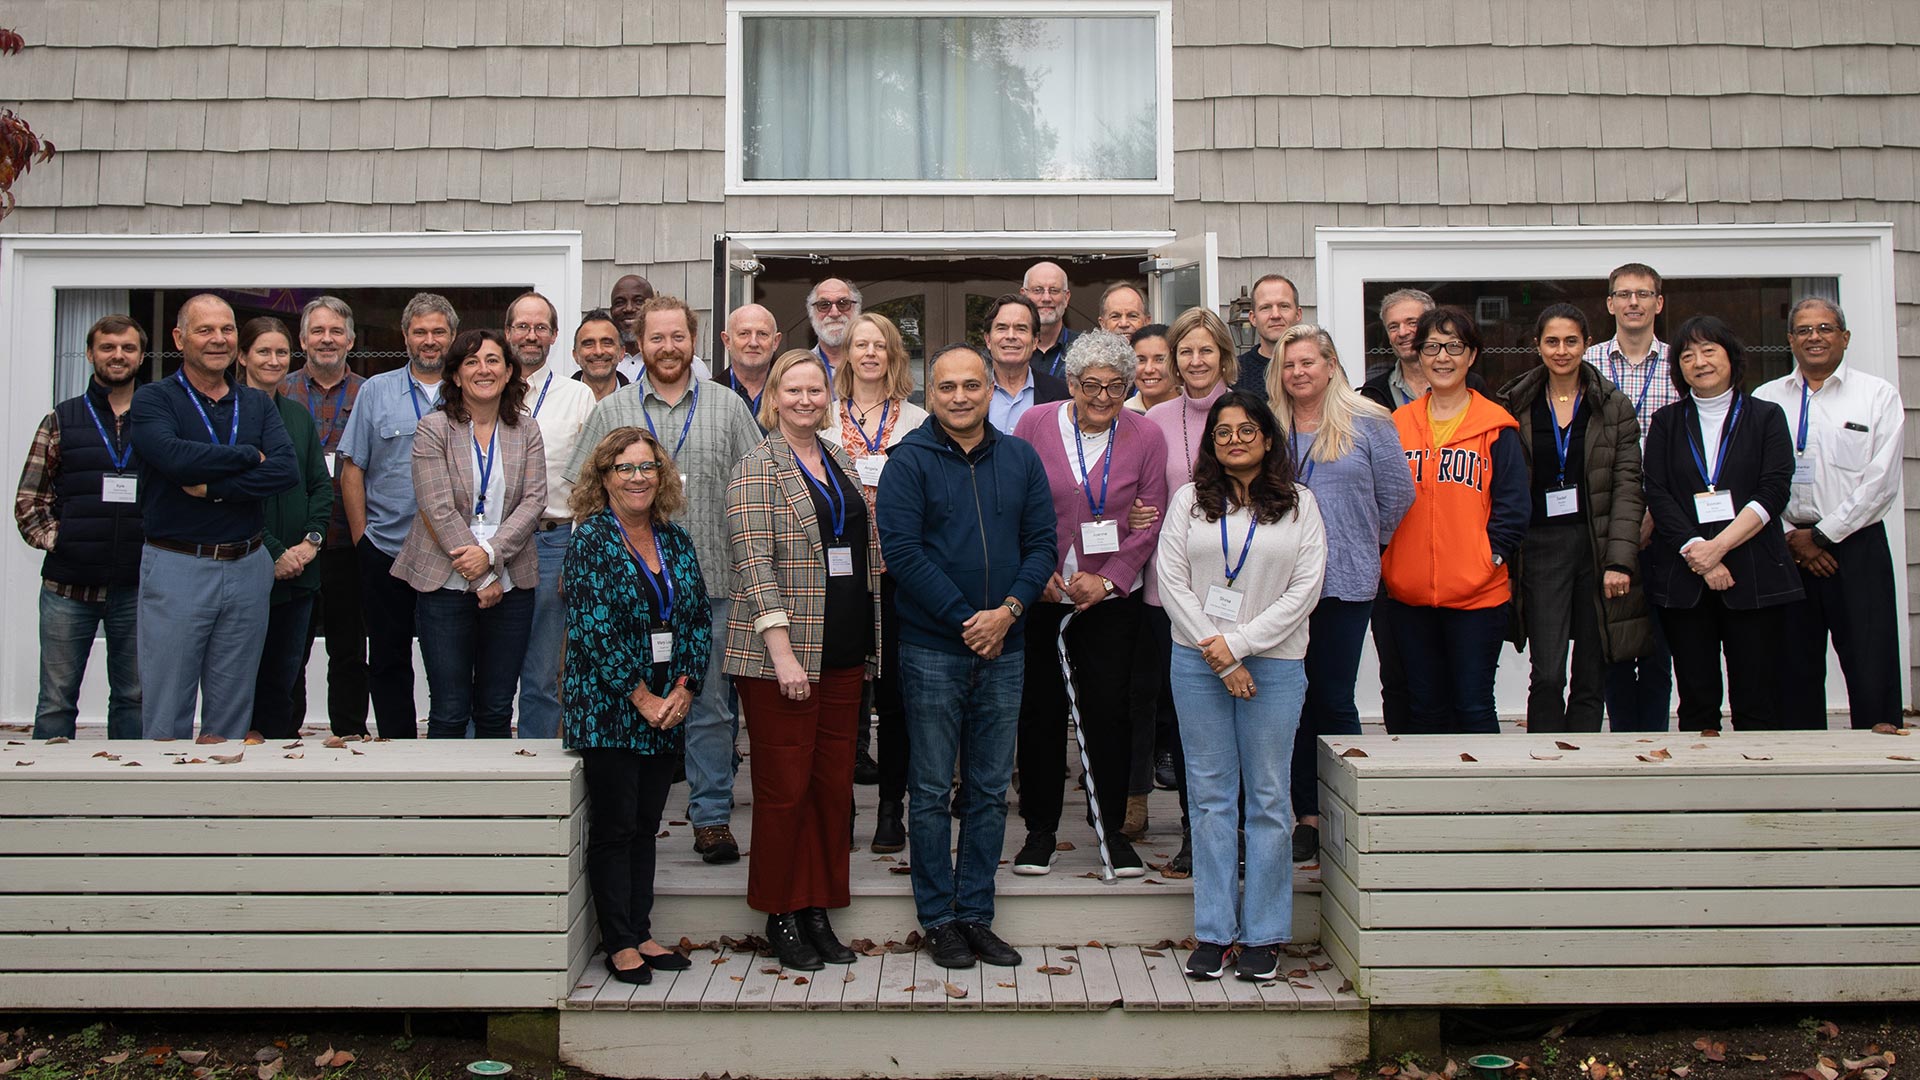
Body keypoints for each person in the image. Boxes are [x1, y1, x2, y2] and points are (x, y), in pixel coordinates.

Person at [877, 343, 1056, 971]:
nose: (959, 396)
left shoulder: (1021, 458)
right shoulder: (909, 462)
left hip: (1005, 646)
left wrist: (1006, 612)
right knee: (928, 789)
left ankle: (976, 913)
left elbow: (1042, 545)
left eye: (971, 386)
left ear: (990, 390)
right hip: (932, 649)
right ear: (932, 394)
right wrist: (965, 620)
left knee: (985, 788)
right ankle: (939, 918)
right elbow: (901, 553)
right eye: (946, 386)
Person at [569, 296, 763, 863]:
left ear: (694, 340)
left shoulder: (727, 408)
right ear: (640, 344)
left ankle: (710, 818)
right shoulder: (613, 410)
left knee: (708, 709)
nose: (668, 347)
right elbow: (584, 497)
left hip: (712, 589)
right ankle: (630, 818)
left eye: (678, 336)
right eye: (656, 338)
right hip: (629, 595)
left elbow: (753, 492)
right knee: (632, 698)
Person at [1157, 391, 1325, 982]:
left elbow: (1305, 589)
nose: (1233, 440)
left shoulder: (1300, 505)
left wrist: (1243, 644)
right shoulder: (1189, 502)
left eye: (1246, 429)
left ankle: (1264, 932)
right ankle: (1214, 930)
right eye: (1222, 432)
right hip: (1198, 661)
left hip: (1275, 664)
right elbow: (1171, 581)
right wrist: (1220, 653)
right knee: (1209, 797)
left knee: (1270, 798)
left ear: (1270, 438)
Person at [723, 349, 879, 972]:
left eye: (816, 389)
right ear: (775, 397)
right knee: (784, 790)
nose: (806, 399)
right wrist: (782, 654)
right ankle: (779, 913)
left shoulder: (838, 457)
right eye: (795, 390)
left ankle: (817, 906)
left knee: (830, 789)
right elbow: (754, 567)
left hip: (841, 651)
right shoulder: (756, 468)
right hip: (782, 659)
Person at [1010, 331, 1168, 878]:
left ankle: (1113, 829)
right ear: (1071, 383)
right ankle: (1040, 830)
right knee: (1041, 713)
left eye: (1115, 386)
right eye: (1091, 385)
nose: (1103, 396)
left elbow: (1153, 517)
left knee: (1110, 711)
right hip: (1044, 593)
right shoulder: (1033, 424)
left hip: (1108, 600)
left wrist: (1111, 579)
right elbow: (1016, 506)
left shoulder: (1145, 435)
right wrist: (1038, 576)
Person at [563, 426, 711, 986]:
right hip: (609, 708)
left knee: (647, 825)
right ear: (604, 478)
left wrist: (685, 688)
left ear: (662, 476)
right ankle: (618, 941)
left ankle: (641, 929)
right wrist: (642, 696)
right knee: (616, 826)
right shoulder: (591, 540)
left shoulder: (675, 540)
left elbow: (696, 618)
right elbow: (593, 630)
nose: (638, 477)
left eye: (647, 467)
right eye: (624, 468)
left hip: (666, 706)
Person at [1268, 324, 1413, 861]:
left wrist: (1360, 542)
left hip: (1344, 583)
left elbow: (1397, 495)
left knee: (1331, 697)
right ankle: (1304, 812)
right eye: (1288, 364)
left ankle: (1345, 811)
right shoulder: (1271, 426)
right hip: (1279, 588)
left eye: (1308, 362)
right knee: (1289, 701)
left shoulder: (1369, 422)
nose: (1298, 372)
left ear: (1331, 365)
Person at [129, 294, 298, 740]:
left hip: (247, 566)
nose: (219, 339)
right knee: (167, 710)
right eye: (205, 330)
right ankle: (164, 807)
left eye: (226, 329)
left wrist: (215, 487)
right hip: (178, 565)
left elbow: (284, 470)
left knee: (232, 708)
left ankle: (222, 804)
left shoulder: (257, 404)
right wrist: (246, 455)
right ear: (179, 338)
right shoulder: (153, 399)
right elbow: (174, 458)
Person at [1495, 304, 1653, 735]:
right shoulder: (1513, 403)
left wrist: (1620, 560)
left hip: (1597, 546)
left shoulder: (1613, 405)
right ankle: (1543, 761)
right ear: (1537, 346)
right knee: (1547, 672)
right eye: (1552, 341)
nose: (1561, 351)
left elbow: (1627, 485)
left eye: (1571, 341)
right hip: (1540, 549)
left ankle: (1583, 766)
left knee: (1591, 669)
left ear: (1586, 344)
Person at [1643, 316, 1803, 730]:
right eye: (1688, 355)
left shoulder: (1767, 417)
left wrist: (1719, 548)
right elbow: (1657, 493)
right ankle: (1699, 787)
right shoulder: (1666, 422)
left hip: (1753, 573)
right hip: (1685, 576)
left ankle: (1758, 787)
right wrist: (1701, 555)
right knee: (1696, 700)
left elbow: (1773, 491)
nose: (1699, 362)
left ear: (1731, 356)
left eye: (1709, 351)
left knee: (1756, 695)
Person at [1754, 299, 1904, 729]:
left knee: (1870, 661)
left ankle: (1877, 772)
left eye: (1824, 328)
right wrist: (1791, 536)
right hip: (1784, 548)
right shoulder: (1767, 399)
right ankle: (1801, 774)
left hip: (1855, 547)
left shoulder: (1876, 396)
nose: (1814, 337)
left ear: (1844, 336)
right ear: (1790, 340)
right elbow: (1754, 477)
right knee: (1791, 669)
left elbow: (1881, 481)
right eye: (1803, 330)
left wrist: (1821, 536)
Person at [1379, 306, 1528, 735]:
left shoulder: (1497, 428)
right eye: (1432, 347)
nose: (1442, 357)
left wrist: (1490, 559)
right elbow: (1379, 500)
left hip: (1477, 598)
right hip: (1408, 597)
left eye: (1454, 347)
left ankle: (1487, 802)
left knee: (1473, 703)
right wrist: (1390, 559)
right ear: (1419, 356)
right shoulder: (1396, 425)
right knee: (1424, 706)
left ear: (1472, 356)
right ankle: (1432, 802)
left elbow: (1513, 508)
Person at [392, 329, 546, 739]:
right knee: (449, 709)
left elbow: (533, 502)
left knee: (497, 708)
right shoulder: (433, 428)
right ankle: (444, 804)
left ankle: (492, 803)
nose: (484, 369)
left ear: (509, 371)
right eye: (472, 361)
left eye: (493, 360)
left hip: (513, 580)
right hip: (444, 579)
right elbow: (436, 507)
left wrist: (491, 557)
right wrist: (480, 575)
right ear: (456, 376)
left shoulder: (526, 431)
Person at [820, 312, 930, 848]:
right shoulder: (821, 418)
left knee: (896, 698)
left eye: (879, 345)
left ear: (892, 355)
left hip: (898, 575)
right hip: (838, 576)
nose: (868, 354)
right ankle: (838, 810)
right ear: (845, 354)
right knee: (840, 694)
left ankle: (892, 809)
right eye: (859, 344)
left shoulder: (916, 420)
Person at [14, 314, 147, 739]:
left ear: (141, 356)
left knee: (133, 698)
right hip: (68, 587)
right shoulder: (62, 419)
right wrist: (60, 540)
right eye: (107, 347)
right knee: (55, 700)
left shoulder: (158, 418)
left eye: (127, 348)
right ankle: (45, 797)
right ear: (90, 354)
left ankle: (128, 798)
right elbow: (28, 499)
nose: (118, 355)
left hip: (137, 585)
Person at [1140, 307, 1239, 855]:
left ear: (1223, 355)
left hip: (1240, 594)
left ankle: (1237, 828)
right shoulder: (1156, 421)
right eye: (1185, 351)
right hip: (1171, 594)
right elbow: (1147, 498)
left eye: (1205, 350)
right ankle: (1194, 832)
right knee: (1185, 718)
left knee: (1240, 714)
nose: (1195, 360)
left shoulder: (1250, 413)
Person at [338, 292, 456, 738]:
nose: (430, 341)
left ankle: (449, 750)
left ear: (452, 336)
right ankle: (397, 745)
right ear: (405, 336)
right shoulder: (376, 390)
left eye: (438, 332)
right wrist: (360, 539)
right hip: (386, 547)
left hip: (450, 553)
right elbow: (353, 468)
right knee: (387, 658)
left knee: (450, 661)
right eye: (420, 332)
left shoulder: (469, 389)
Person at [1587, 263, 1679, 732]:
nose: (1634, 303)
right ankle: (1624, 739)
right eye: (1624, 294)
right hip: (1605, 521)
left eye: (1644, 294)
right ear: (1610, 304)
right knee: (1615, 641)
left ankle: (1656, 739)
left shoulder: (1680, 362)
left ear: (1658, 303)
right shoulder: (1587, 364)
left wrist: (1656, 516)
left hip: (1667, 522)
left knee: (1659, 644)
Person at [1358, 289, 1453, 732]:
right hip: (1391, 554)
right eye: (1393, 326)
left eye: (1412, 322)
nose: (1402, 333)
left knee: (1455, 676)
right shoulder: (1371, 397)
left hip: (1454, 549)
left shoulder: (1469, 388)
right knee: (1396, 674)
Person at [235, 316, 332, 740]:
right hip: (247, 569)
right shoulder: (227, 418)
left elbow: (320, 487)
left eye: (280, 352)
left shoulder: (296, 416)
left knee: (287, 681)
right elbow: (234, 496)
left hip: (301, 574)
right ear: (242, 356)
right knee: (242, 681)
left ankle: (285, 772)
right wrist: (274, 551)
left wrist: (310, 543)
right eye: (263, 351)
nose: (274, 360)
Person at [508, 293, 598, 740]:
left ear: (555, 336)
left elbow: (589, 482)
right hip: (489, 545)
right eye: (522, 326)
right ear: (508, 333)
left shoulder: (576, 395)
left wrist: (578, 551)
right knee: (485, 667)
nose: (531, 335)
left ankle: (534, 774)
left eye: (540, 327)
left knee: (542, 672)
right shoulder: (484, 387)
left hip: (552, 541)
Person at [282, 296, 368, 737]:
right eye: (318, 331)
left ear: (350, 340)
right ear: (302, 339)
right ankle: (284, 731)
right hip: (292, 545)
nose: (327, 339)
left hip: (348, 540)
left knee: (349, 647)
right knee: (288, 646)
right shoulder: (281, 390)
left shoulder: (367, 393)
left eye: (336, 331)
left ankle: (350, 729)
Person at [985, 293, 1068, 433]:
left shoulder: (1062, 394)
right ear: (988, 340)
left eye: (1021, 329)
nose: (1011, 336)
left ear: (1035, 341)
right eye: (1002, 328)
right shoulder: (970, 392)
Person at [612, 274, 711, 385]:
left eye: (639, 301)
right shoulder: (603, 362)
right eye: (620, 302)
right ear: (611, 310)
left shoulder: (692, 366)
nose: (629, 308)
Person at [1234, 274, 1302, 402]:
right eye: (1266, 307)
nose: (1275, 315)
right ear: (1253, 318)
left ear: (1298, 314)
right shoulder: (1236, 372)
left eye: (1284, 306)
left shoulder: (1318, 367)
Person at [720, 303, 783, 426]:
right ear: (727, 341)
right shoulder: (707, 396)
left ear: (775, 341)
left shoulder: (790, 394)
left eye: (762, 334)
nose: (753, 343)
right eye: (744, 333)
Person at [1024, 261, 1078, 377]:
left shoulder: (1084, 348)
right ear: (1024, 296)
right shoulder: (1009, 348)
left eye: (1054, 290)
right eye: (1037, 290)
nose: (1046, 298)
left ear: (1066, 298)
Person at [807, 278, 861, 383]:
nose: (834, 313)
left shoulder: (874, 365)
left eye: (843, 303)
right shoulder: (799, 368)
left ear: (857, 310)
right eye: (824, 305)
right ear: (811, 313)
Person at [571, 312, 630, 401]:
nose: (598, 352)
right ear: (575, 355)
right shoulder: (559, 401)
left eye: (607, 343)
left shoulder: (639, 402)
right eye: (588, 344)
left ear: (622, 353)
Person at [1124, 324, 1180, 414]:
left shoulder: (1198, 411)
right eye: (1141, 360)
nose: (1148, 369)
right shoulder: (1120, 416)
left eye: (1160, 360)